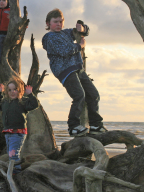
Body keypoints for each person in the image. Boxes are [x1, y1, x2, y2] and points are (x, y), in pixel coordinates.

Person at [42, 8, 106, 137]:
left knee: (93, 94)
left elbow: (81, 32)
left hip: (77, 68)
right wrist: (80, 46)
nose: (58, 24)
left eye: (61, 21)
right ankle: (74, 126)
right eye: (55, 22)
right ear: (48, 23)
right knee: (79, 95)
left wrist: (82, 29)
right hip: (64, 70)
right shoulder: (49, 37)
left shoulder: (65, 33)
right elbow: (65, 50)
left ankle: (95, 125)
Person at [0, 78, 38, 174]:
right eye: (9, 90)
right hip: (8, 132)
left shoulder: (22, 102)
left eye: (15, 89)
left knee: (13, 153)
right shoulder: (5, 102)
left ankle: (16, 171)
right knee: (11, 153)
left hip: (18, 132)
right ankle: (13, 169)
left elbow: (35, 104)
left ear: (19, 90)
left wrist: (30, 94)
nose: (12, 92)